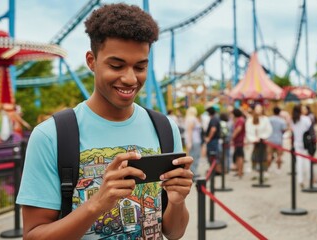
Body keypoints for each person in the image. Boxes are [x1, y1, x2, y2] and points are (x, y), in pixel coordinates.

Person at [16, 4, 193, 240]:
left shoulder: (165, 129)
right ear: (91, 61)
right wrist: (97, 204)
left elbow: (175, 232)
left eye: (140, 66)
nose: (130, 78)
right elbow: (33, 236)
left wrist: (177, 200)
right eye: (116, 66)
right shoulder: (52, 135)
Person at [245, 104, 272, 178]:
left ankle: (264, 170)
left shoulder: (265, 119)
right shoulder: (251, 119)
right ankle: (255, 171)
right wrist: (253, 138)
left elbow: (268, 129)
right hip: (254, 141)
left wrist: (263, 137)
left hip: (263, 140)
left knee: (264, 156)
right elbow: (249, 130)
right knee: (254, 156)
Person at [291, 105, 312, 188]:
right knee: (307, 161)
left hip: (297, 143)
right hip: (305, 143)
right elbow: (310, 129)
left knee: (299, 162)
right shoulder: (306, 119)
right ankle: (310, 178)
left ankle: (300, 180)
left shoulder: (293, 119)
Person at [184, 106, 202, 177]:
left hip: (192, 140)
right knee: (195, 156)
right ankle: (194, 172)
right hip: (195, 140)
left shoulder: (187, 118)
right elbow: (190, 130)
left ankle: (192, 172)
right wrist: (190, 142)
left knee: (192, 156)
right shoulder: (193, 119)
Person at [204, 106, 221, 173]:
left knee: (212, 155)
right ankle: (214, 170)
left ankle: (215, 170)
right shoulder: (215, 118)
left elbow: (213, 129)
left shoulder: (213, 119)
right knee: (214, 155)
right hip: (214, 140)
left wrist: (208, 138)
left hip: (213, 141)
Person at [231, 108, 246, 178]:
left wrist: (233, 136)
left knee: (240, 156)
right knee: (238, 156)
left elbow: (238, 129)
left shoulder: (240, 120)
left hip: (239, 141)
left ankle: (240, 171)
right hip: (238, 141)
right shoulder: (240, 119)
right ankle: (239, 171)